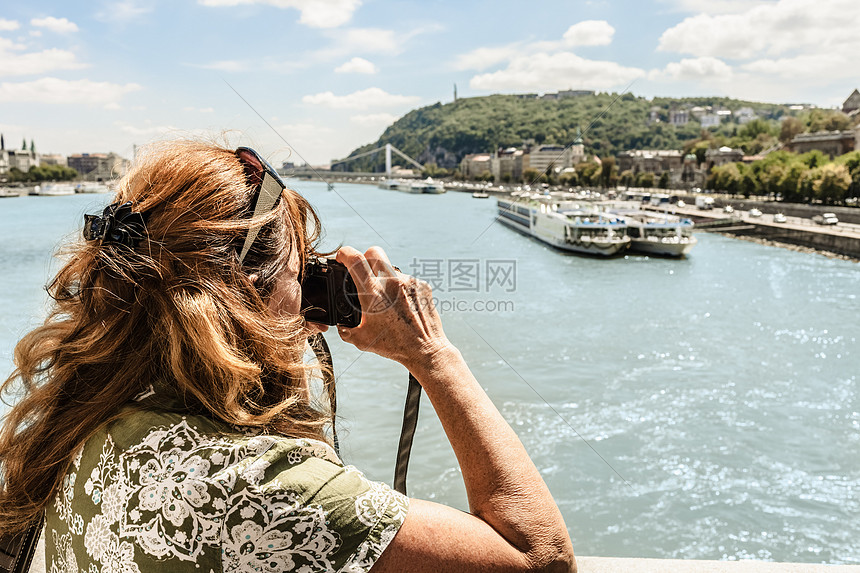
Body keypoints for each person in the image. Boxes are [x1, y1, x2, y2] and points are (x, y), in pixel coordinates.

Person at [0, 140, 575, 573]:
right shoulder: (262, 488)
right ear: (246, 293)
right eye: (301, 273)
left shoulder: (88, 414)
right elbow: (538, 558)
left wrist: (272, 362)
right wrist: (430, 352)